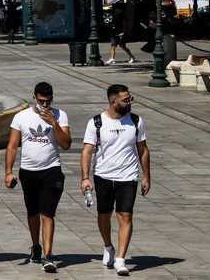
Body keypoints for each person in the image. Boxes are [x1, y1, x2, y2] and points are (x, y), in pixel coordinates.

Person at [81, 84, 150, 276]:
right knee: (104, 214)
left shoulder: (136, 121)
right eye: (126, 100)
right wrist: (85, 178)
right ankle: (108, 247)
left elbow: (143, 150)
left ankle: (121, 259)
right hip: (103, 175)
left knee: (125, 215)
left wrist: (146, 177)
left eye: (130, 99)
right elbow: (87, 151)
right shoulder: (96, 122)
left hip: (128, 176)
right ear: (114, 101)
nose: (130, 103)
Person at [5, 82, 72, 272]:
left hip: (52, 170)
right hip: (28, 171)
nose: (45, 105)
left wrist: (54, 123)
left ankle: (48, 256)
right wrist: (8, 172)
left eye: (49, 101)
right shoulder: (22, 117)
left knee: (47, 213)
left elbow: (66, 144)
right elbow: (12, 145)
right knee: (32, 212)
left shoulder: (60, 115)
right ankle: (36, 246)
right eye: (42, 101)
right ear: (34, 98)